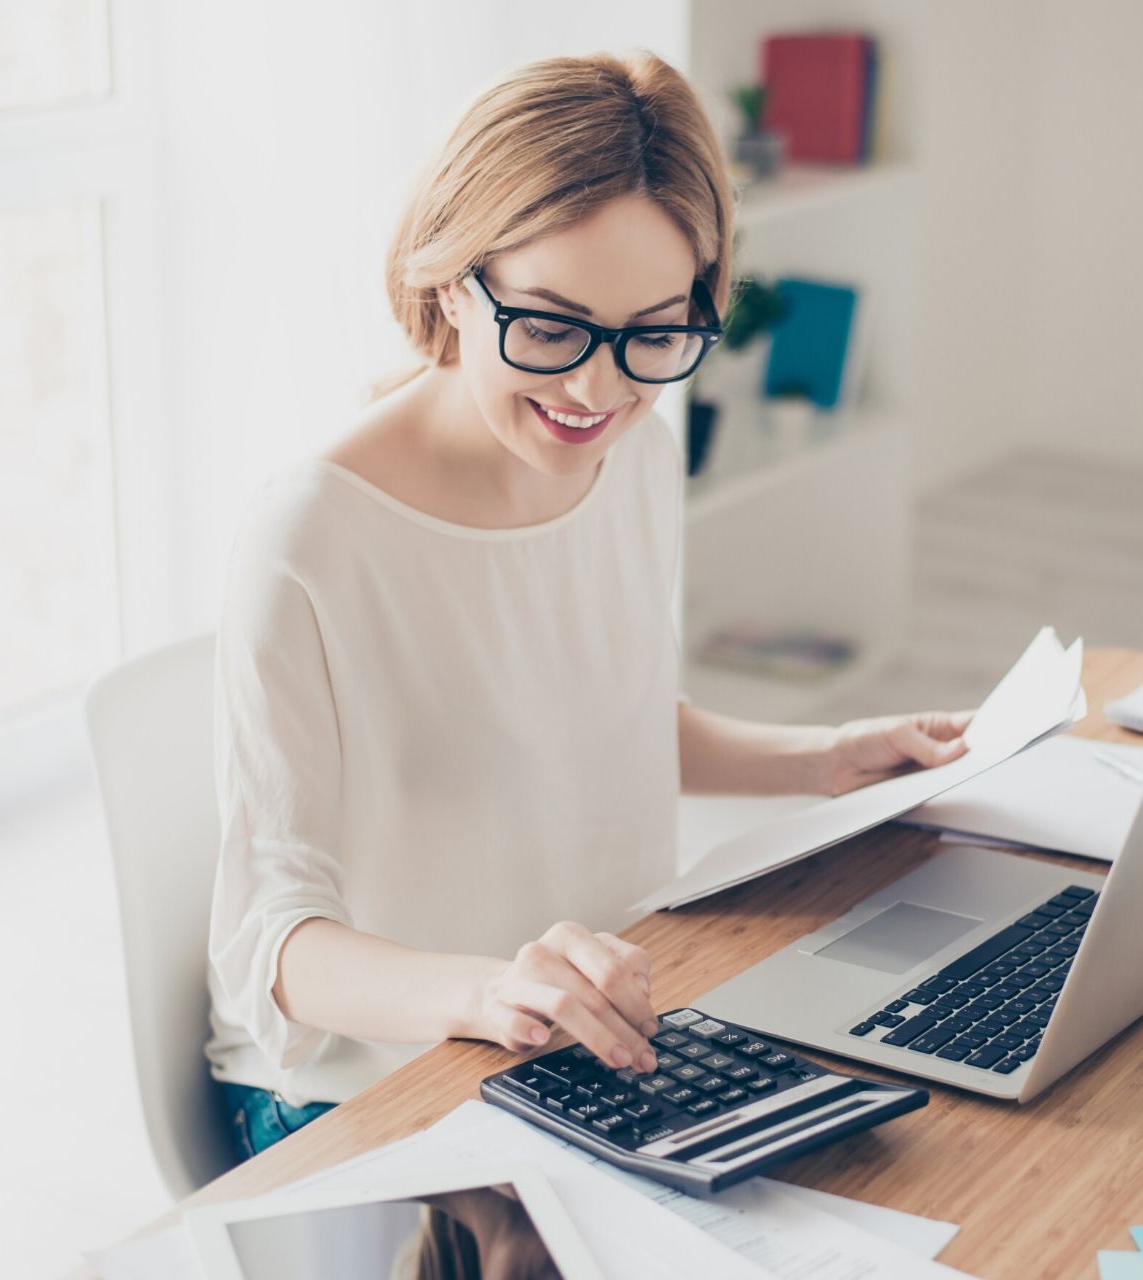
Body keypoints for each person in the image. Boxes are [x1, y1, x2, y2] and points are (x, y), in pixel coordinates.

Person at [204, 50, 971, 1160]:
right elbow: (269, 944)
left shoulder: (635, 457)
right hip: (374, 1086)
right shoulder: (312, 533)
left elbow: (605, 718)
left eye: (654, 333)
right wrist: (492, 990)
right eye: (553, 328)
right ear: (454, 279)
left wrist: (826, 757)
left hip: (597, 1046)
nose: (598, 390)